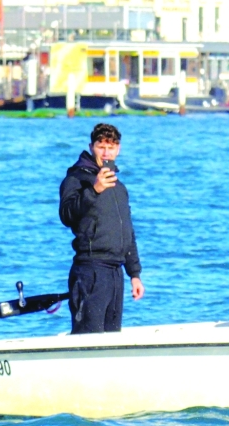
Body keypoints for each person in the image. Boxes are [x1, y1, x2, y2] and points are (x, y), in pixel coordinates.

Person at [59, 123, 144, 334]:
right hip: (90, 270)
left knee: (112, 339)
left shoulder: (119, 187)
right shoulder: (75, 179)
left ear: (118, 150)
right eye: (101, 146)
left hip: (115, 273)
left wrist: (134, 273)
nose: (106, 152)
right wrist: (94, 190)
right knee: (88, 338)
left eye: (111, 147)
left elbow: (127, 231)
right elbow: (66, 215)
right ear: (91, 146)